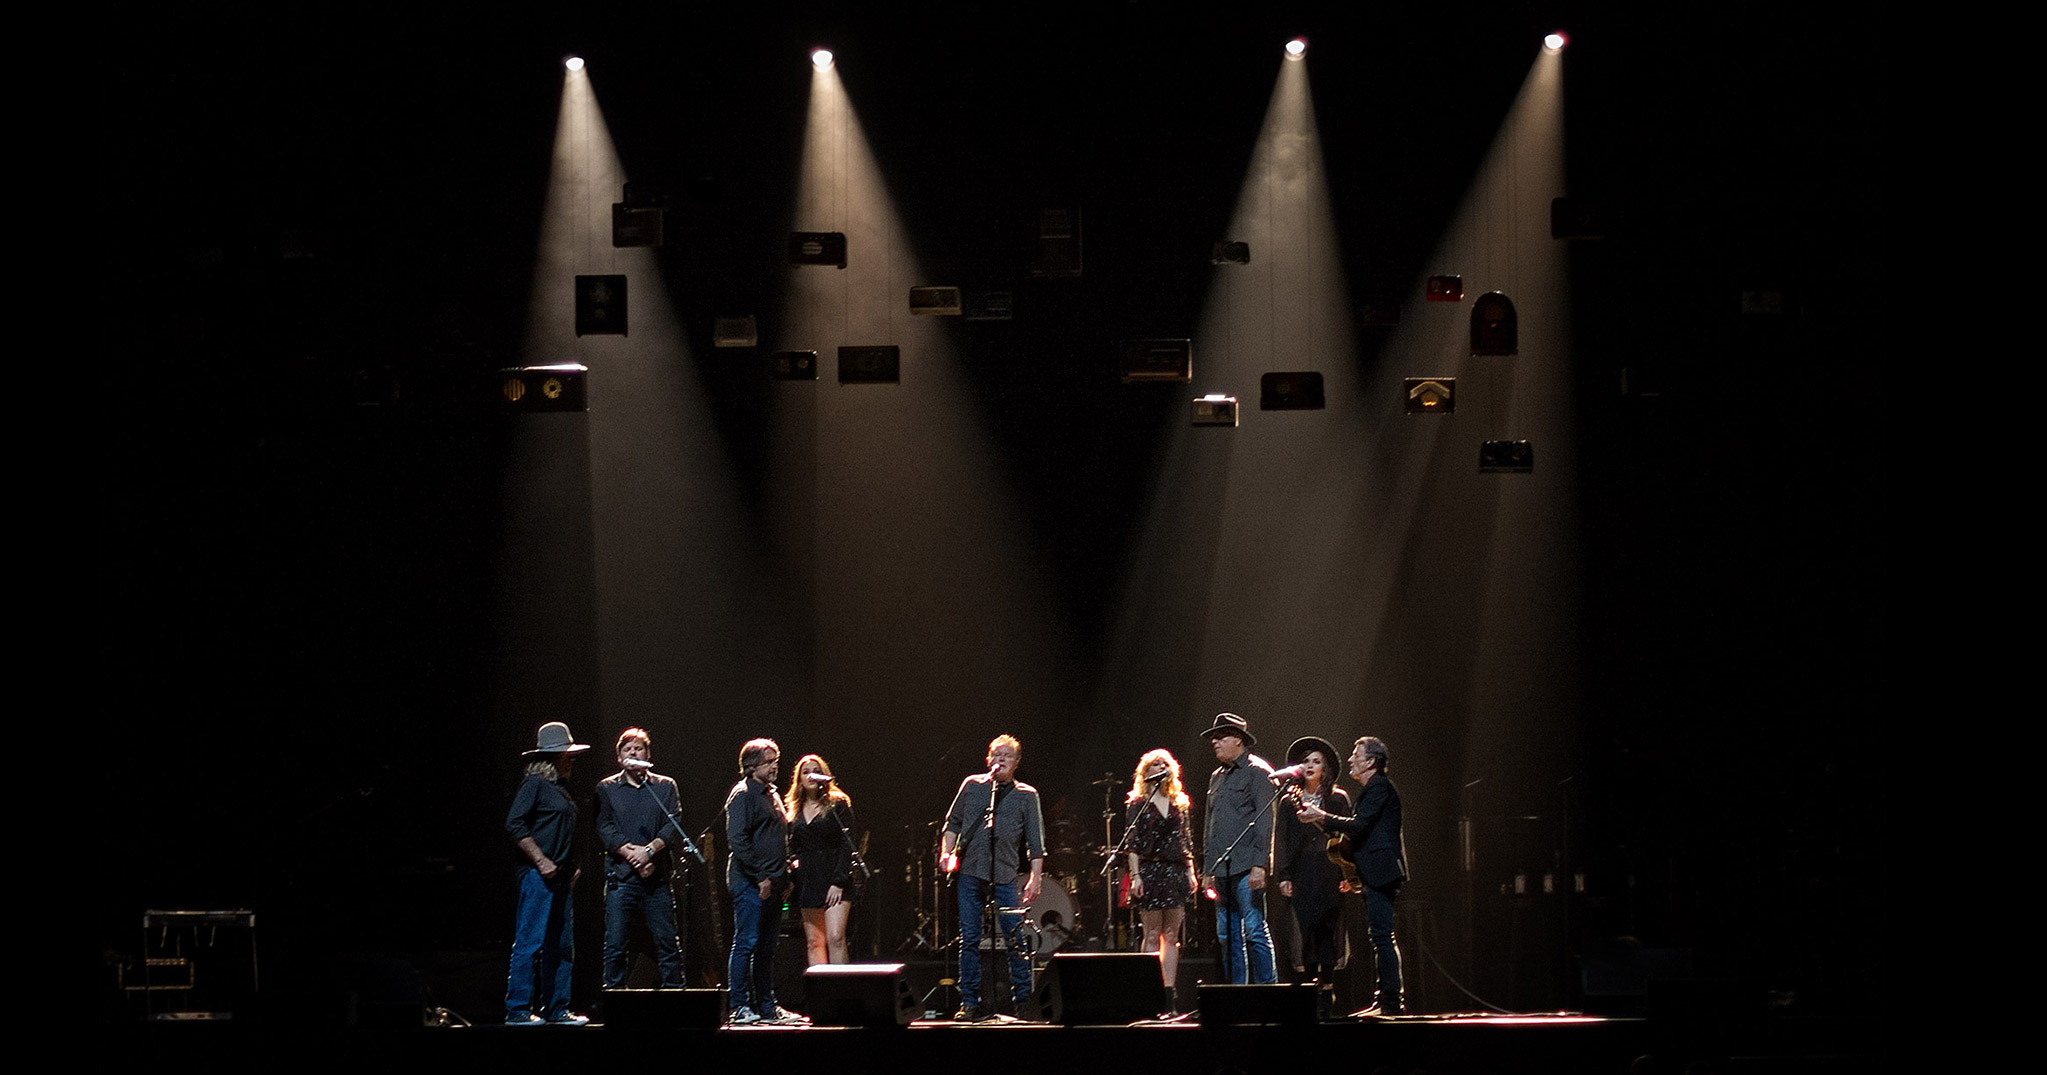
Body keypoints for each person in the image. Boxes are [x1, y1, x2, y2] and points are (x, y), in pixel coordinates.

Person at [1297, 736, 1408, 1015]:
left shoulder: (1380, 787)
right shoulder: (1371, 790)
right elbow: (1347, 833)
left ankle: (1391, 1003)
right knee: (1379, 936)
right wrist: (1317, 819)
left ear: (1370, 761)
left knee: (1382, 937)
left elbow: (1358, 825)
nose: (1349, 760)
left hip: (1382, 873)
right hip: (1373, 873)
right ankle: (1384, 1000)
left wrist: (1320, 813)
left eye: (1356, 755)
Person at [940, 734, 1046, 1020]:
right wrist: (946, 852)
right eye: (995, 754)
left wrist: (1035, 878)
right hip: (971, 872)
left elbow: (1036, 843)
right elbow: (953, 822)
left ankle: (1023, 1000)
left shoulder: (1027, 795)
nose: (1000, 759)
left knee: (1014, 937)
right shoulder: (972, 786)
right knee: (970, 938)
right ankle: (970, 1001)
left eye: (1007, 755)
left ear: (1016, 763)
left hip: (1005, 873)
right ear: (988, 759)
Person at [504, 721, 591, 1026]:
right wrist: (541, 861)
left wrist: (576, 864)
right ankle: (517, 1010)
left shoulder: (562, 789)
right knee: (530, 942)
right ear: (551, 757)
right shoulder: (534, 785)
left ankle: (556, 1008)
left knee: (562, 945)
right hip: (537, 876)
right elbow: (515, 825)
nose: (571, 759)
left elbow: (570, 830)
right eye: (566, 754)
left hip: (561, 878)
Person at [595, 727, 686, 989]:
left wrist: (650, 851)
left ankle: (675, 999)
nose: (633, 752)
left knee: (668, 943)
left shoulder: (665, 786)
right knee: (615, 945)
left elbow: (673, 823)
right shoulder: (607, 788)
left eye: (639, 748)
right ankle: (614, 1002)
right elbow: (604, 826)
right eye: (627, 748)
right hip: (621, 879)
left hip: (656, 879)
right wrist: (631, 853)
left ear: (648, 753)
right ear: (619, 757)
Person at [724, 738, 804, 1025]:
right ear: (751, 765)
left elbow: (781, 836)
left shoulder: (772, 793)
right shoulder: (743, 794)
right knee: (746, 942)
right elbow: (738, 840)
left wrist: (787, 875)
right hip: (751, 883)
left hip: (774, 883)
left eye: (776, 761)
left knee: (768, 947)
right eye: (769, 762)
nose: (774, 767)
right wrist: (761, 877)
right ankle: (739, 1005)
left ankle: (767, 1006)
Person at [1201, 712, 1278, 984]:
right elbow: (1210, 825)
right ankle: (1237, 994)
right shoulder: (1216, 777)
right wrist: (1207, 868)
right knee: (1227, 936)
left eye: (1221, 736)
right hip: (1221, 869)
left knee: (1255, 930)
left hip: (1247, 866)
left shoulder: (1258, 772)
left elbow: (1266, 821)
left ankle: (1268, 992)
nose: (1215, 741)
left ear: (1238, 740)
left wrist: (1260, 864)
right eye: (1213, 737)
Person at [1273, 736, 1352, 987]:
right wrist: (1284, 875)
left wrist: (1347, 874)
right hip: (1302, 870)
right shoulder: (1289, 801)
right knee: (1306, 929)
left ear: (1324, 768)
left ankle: (1327, 987)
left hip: (1330, 869)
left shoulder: (1337, 798)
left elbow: (1348, 836)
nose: (1310, 765)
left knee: (1327, 929)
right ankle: (1308, 984)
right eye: (1306, 761)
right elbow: (1281, 839)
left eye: (1316, 761)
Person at [1123, 749, 1197, 1010]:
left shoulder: (1179, 803)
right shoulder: (1138, 803)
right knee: (1152, 932)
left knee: (1171, 934)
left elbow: (1186, 840)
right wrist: (1135, 876)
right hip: (1150, 871)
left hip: (1174, 870)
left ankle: (1169, 992)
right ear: (1146, 771)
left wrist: (1190, 871)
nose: (1160, 767)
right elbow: (1131, 844)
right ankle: (1149, 989)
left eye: (1164, 763)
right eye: (1154, 764)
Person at [784, 754, 858, 965]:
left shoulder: (837, 804)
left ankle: (840, 991)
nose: (810, 776)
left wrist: (839, 881)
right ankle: (821, 994)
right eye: (805, 772)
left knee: (835, 937)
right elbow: (792, 847)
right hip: (807, 879)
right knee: (815, 941)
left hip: (834, 874)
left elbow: (848, 843)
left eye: (814, 771)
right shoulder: (794, 810)